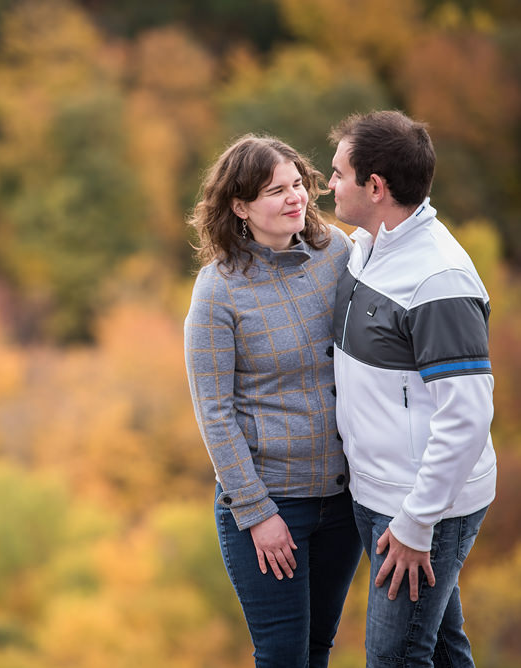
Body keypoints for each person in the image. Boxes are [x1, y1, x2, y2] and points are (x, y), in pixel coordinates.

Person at [184, 135, 362, 668]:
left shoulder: (337, 253)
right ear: (240, 207)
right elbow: (214, 414)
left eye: (298, 184)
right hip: (270, 503)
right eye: (275, 191)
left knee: (318, 648)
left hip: (344, 500)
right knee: (283, 655)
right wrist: (258, 512)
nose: (295, 198)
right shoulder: (217, 291)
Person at [327, 110, 497, 667]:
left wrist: (417, 522)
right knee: (443, 649)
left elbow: (467, 418)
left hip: (420, 507)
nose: (328, 184)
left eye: (337, 174)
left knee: (395, 658)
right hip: (376, 491)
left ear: (374, 187)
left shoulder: (438, 279)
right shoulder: (367, 245)